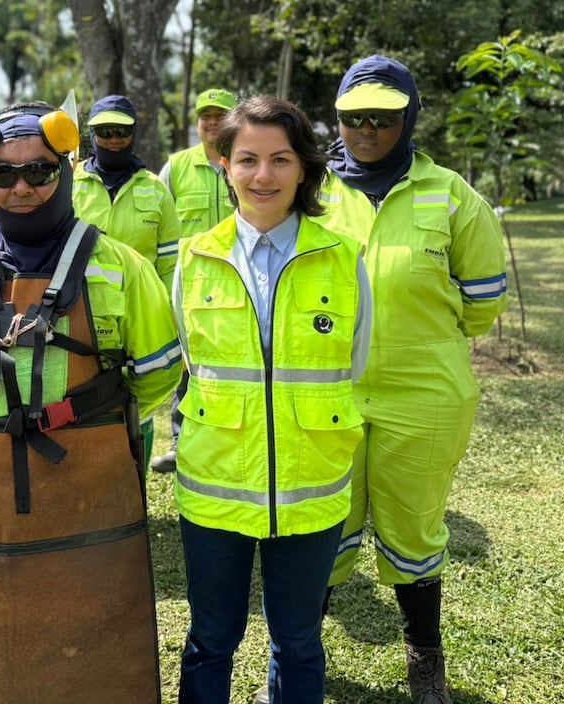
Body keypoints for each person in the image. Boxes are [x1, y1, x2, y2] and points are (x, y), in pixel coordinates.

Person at [0, 101, 182, 704]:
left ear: (68, 167)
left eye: (39, 171)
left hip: (92, 496)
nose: (22, 186)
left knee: (102, 649)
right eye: (3, 174)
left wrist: (83, 425)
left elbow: (160, 374)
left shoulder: (122, 268)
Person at [319, 55, 508, 704]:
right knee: (319, 527)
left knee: (414, 531)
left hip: (423, 394)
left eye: (383, 116)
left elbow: (483, 300)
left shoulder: (451, 195)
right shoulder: (311, 194)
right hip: (326, 395)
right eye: (353, 117)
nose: (367, 128)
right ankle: (298, 661)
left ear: (410, 117)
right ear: (336, 118)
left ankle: (425, 663)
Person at [173, 95, 371, 704]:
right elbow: (186, 358)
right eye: (248, 159)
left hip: (311, 489)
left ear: (305, 168)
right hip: (214, 489)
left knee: (299, 641)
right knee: (211, 637)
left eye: (281, 159)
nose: (264, 176)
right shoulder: (194, 258)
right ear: (224, 166)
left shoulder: (342, 259)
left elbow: (356, 360)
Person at [72, 93, 179, 469]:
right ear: (91, 135)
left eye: (121, 131)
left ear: (134, 133)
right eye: (105, 132)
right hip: (78, 313)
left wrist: (166, 315)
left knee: (140, 404)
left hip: (139, 315)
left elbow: (170, 265)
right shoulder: (70, 184)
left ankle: (133, 495)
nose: (114, 140)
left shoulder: (155, 189)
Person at [151, 86, 238, 473]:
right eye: (206, 115)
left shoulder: (245, 161)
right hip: (194, 285)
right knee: (188, 365)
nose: (212, 122)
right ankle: (181, 441)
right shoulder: (176, 167)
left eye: (221, 115)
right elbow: (161, 223)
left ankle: (233, 442)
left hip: (242, 280)